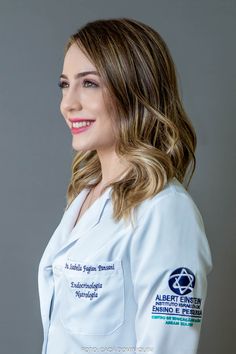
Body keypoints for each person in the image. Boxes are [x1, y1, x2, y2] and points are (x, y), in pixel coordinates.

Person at [38, 17, 213, 354]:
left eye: (89, 83)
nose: (68, 103)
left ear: (135, 89)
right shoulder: (85, 194)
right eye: (64, 84)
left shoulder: (166, 210)